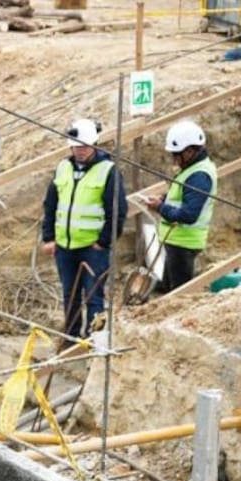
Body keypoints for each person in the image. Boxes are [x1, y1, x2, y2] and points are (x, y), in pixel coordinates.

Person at [40, 118, 128, 338]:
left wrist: (103, 242)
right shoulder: (63, 168)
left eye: (84, 146)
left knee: (93, 296)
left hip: (93, 248)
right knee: (70, 296)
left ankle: (93, 341)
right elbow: (51, 204)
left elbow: (117, 211)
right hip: (65, 247)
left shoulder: (108, 171)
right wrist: (49, 237)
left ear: (95, 144)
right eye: (76, 146)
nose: (80, 151)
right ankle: (70, 339)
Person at [143, 119, 216, 292]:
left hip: (184, 243)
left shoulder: (199, 175)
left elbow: (188, 215)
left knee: (179, 294)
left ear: (190, 151)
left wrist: (160, 207)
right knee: (166, 287)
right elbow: (182, 196)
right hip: (176, 241)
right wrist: (164, 198)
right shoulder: (192, 169)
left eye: (177, 155)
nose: (174, 160)